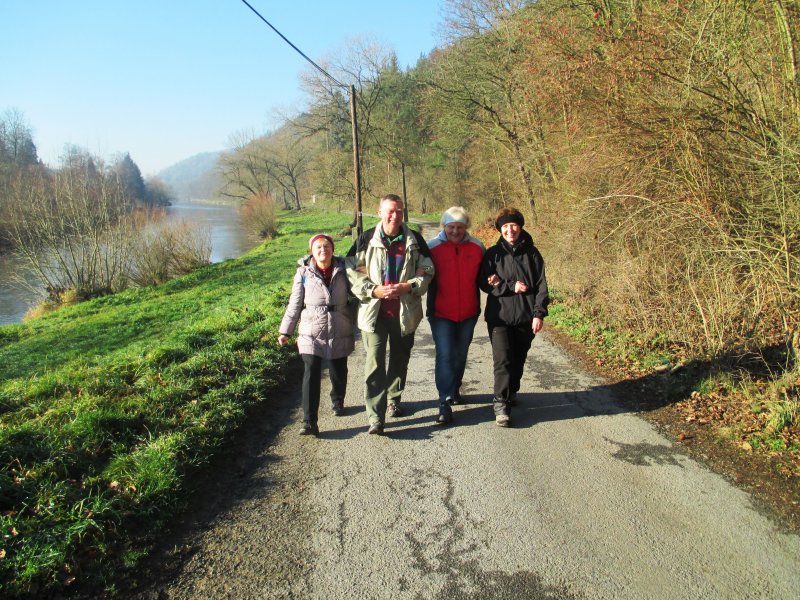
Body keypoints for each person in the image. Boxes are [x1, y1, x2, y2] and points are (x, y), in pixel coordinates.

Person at [346, 194, 434, 435]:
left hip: (405, 313)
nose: (394, 216)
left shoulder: (414, 239)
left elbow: (428, 269)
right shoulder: (365, 239)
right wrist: (372, 290)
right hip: (373, 314)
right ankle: (376, 416)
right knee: (375, 363)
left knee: (399, 359)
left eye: (399, 211)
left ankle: (394, 398)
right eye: (390, 211)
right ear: (380, 212)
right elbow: (351, 270)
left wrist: (409, 285)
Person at [478, 207, 549, 427]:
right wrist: (510, 286)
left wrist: (539, 314)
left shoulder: (533, 254)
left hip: (526, 317)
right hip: (499, 317)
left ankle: (512, 390)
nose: (510, 230)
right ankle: (501, 404)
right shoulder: (492, 254)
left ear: (520, 227)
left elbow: (541, 286)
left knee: (518, 359)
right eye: (505, 226)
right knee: (503, 360)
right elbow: (483, 282)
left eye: (513, 225)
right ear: (500, 229)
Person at [278, 233, 355, 436]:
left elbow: (356, 293)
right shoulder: (303, 273)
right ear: (312, 251)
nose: (323, 250)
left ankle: (338, 400)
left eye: (327, 246)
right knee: (311, 369)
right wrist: (286, 330)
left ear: (333, 248)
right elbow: (294, 304)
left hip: (340, 324)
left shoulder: (344, 269)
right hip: (311, 328)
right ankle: (309, 421)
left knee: (339, 369)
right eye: (319, 247)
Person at [426, 206, 485, 425]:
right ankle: (444, 401)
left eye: (460, 227)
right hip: (441, 312)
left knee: (460, 354)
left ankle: (454, 387)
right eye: (451, 227)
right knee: (445, 353)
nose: (455, 231)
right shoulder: (432, 248)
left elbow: (485, 276)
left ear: (466, 227)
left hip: (469, 313)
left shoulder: (477, 247)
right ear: (444, 226)